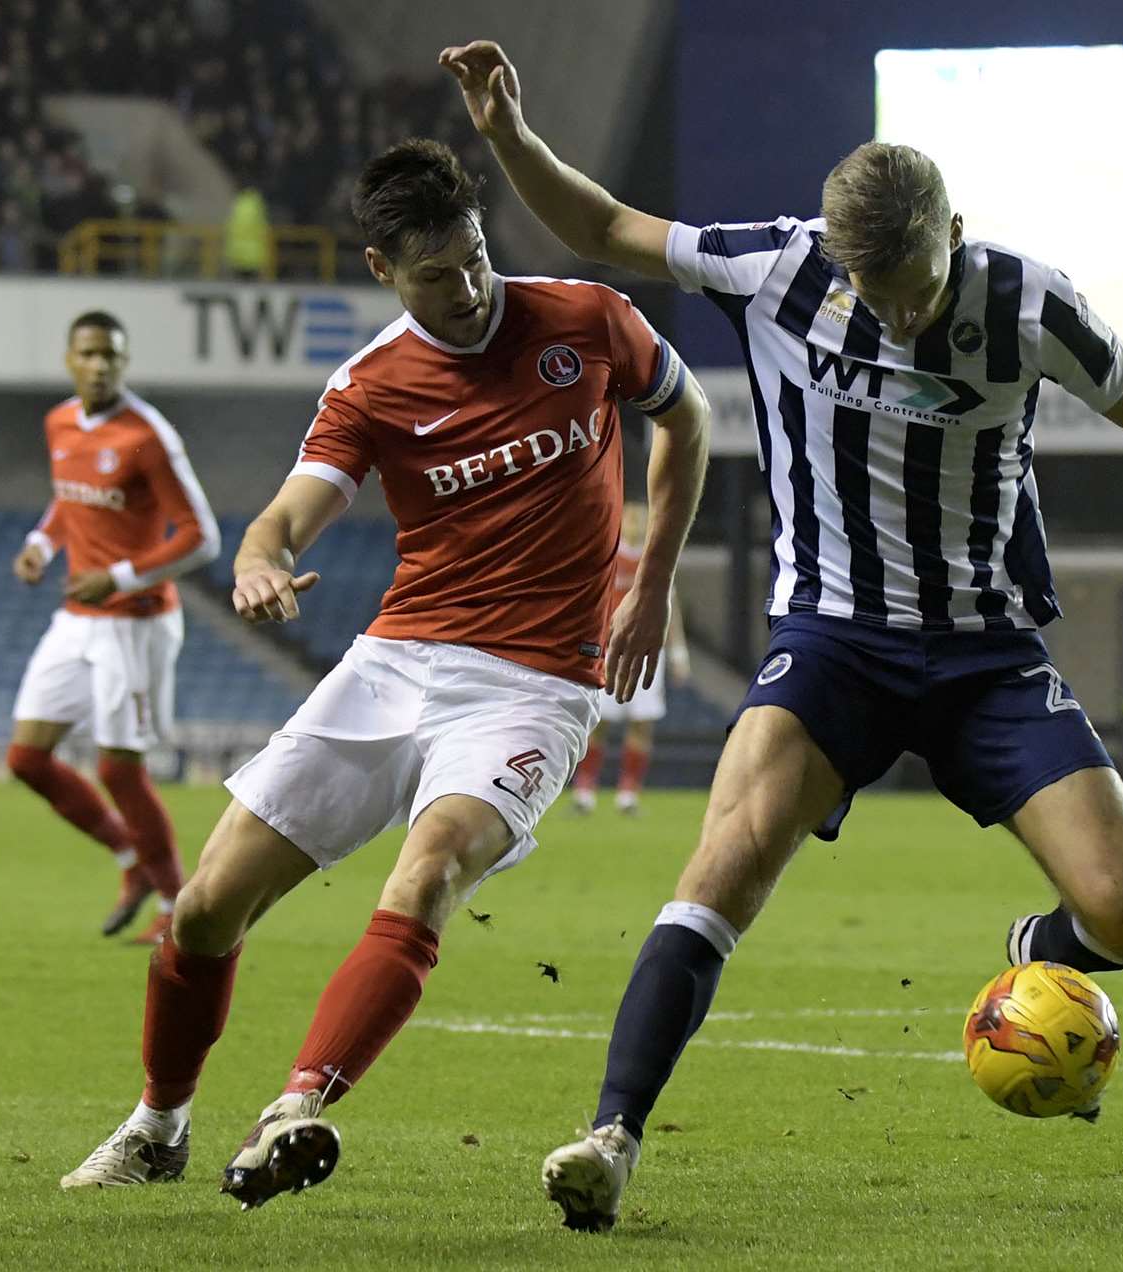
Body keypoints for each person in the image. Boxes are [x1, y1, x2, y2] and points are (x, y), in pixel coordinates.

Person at [441, 40, 1123, 1230]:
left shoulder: (1029, 303)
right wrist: (509, 138)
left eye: (915, 286)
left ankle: (1034, 943)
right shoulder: (779, 271)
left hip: (986, 654)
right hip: (832, 644)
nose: (900, 311)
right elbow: (605, 225)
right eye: (876, 292)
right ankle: (610, 1134)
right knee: (721, 871)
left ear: (954, 230)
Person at [59, 139, 711, 1207]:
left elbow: (684, 418)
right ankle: (157, 1128)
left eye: (471, 258)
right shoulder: (369, 383)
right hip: (395, 659)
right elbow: (288, 511)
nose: (465, 289)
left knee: (432, 870)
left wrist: (651, 587)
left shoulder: (585, 319)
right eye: (433, 276)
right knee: (206, 910)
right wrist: (264, 556)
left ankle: (294, 1107)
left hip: (535, 684)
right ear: (380, 271)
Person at [8, 311, 220, 944]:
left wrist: (121, 576)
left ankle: (174, 904)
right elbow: (68, 500)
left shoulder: (147, 435)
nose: (100, 366)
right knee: (25, 757)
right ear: (71, 359)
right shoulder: (59, 422)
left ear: (123, 363)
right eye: (90, 355)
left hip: (135, 622)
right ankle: (133, 860)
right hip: (78, 617)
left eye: (112, 356)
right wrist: (41, 546)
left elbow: (200, 537)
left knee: (120, 771)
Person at [572, 501, 690, 814]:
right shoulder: (609, 556)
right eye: (631, 518)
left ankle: (628, 794)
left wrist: (679, 653)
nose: (637, 523)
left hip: (649, 650)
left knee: (642, 723)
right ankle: (585, 791)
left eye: (642, 518)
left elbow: (670, 609)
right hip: (611, 649)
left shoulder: (657, 562)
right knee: (600, 721)